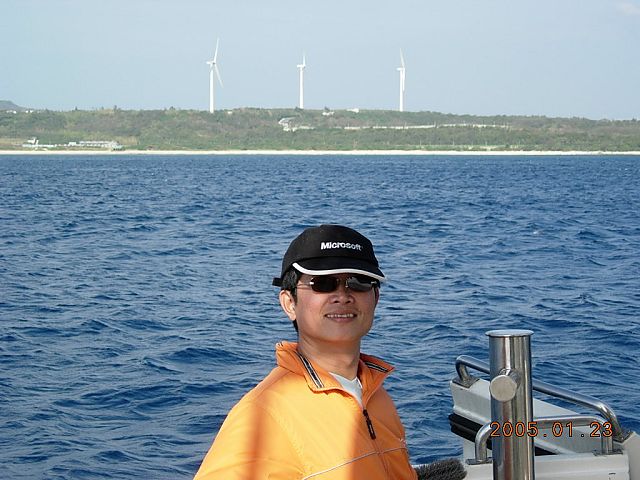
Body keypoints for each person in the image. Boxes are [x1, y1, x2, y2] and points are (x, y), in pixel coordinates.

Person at [194, 224, 418, 480]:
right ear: (289, 303)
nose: (343, 296)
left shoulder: (376, 395)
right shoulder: (262, 415)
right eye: (323, 283)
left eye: (359, 283)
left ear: (376, 298)